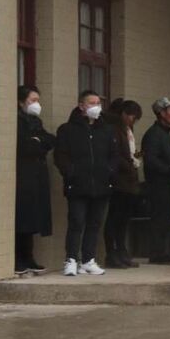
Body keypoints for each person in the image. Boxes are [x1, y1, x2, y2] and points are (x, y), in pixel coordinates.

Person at [54, 90, 117, 277]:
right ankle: (71, 259)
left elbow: (114, 155)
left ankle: (89, 259)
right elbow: (61, 156)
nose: (96, 106)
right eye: (91, 103)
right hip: (77, 185)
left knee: (94, 224)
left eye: (98, 103)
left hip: (101, 185)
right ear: (81, 106)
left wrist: (109, 171)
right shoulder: (67, 130)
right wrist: (71, 172)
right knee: (76, 222)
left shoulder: (106, 130)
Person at [15, 85, 56, 273]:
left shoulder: (35, 121)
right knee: (21, 217)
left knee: (32, 217)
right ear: (21, 102)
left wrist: (39, 141)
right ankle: (18, 259)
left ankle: (28, 257)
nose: (36, 104)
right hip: (23, 175)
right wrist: (37, 142)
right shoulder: (18, 121)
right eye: (33, 100)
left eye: (38, 100)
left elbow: (49, 139)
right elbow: (24, 146)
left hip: (37, 175)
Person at [143, 97, 170, 265]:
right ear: (161, 113)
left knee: (167, 219)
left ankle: (164, 251)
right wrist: (169, 169)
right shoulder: (154, 134)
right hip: (159, 186)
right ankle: (158, 253)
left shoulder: (165, 134)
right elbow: (151, 160)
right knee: (160, 218)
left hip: (169, 185)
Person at [105, 99, 143, 269]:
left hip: (129, 180)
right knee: (114, 218)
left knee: (123, 220)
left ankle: (122, 250)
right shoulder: (114, 129)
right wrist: (129, 163)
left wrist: (136, 157)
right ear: (123, 114)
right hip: (119, 181)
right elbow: (116, 155)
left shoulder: (128, 130)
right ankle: (112, 253)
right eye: (131, 116)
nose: (133, 120)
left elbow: (129, 152)